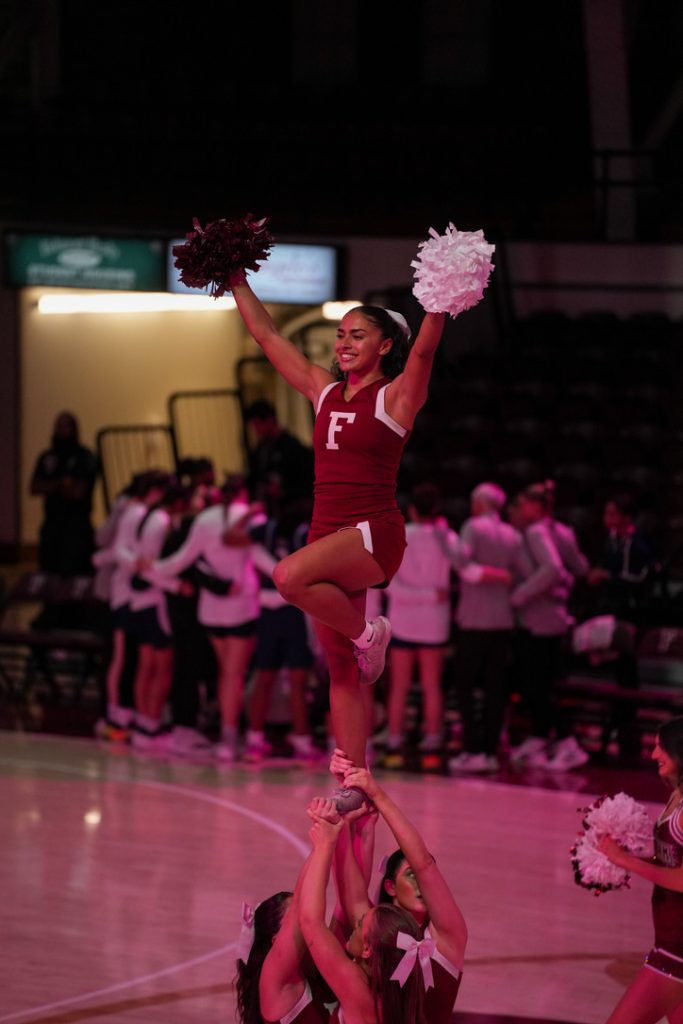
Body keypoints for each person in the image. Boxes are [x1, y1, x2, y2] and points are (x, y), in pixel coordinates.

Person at [230, 277, 446, 773]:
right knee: (341, 669)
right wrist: (237, 282)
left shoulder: (396, 398)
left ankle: (371, 635)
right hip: (326, 535)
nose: (344, 344)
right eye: (341, 335)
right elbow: (267, 336)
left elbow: (426, 355)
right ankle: (354, 775)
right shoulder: (322, 393)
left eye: (358, 335)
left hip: (373, 533)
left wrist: (439, 304)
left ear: (385, 345)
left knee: (287, 577)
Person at [327, 754, 467, 1024]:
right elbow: (350, 893)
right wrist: (347, 798)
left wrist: (377, 793)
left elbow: (425, 864)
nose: (421, 885)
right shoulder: (372, 929)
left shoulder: (449, 939)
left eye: (422, 879)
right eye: (410, 876)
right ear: (390, 886)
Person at [144, 476, 275, 762]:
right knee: (234, 675)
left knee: (224, 673)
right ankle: (229, 738)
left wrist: (152, 568)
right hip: (240, 606)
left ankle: (227, 740)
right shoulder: (249, 516)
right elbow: (263, 559)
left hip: (211, 611)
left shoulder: (204, 520)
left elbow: (181, 560)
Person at [300, 807, 430, 1024]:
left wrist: (323, 846)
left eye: (360, 925)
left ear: (368, 949)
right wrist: (348, 829)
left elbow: (310, 922)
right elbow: (355, 897)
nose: (356, 924)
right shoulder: (401, 992)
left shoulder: (356, 988)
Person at [598, 716, 683, 1024]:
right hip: (670, 942)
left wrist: (627, 861)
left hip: (677, 953)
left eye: (661, 748)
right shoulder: (676, 797)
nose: (653, 755)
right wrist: (619, 858)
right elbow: (671, 863)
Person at [508, 484, 589, 772]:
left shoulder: (535, 531)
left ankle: (568, 743)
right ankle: (542, 736)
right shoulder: (562, 531)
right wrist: (562, 587)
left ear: (537, 505)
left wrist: (519, 595)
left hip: (540, 621)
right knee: (539, 683)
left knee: (537, 686)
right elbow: (579, 569)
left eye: (523, 503)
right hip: (555, 618)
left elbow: (553, 570)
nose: (518, 509)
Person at [448, 481, 527, 775]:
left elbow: (459, 561)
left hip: (473, 619)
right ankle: (491, 751)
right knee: (496, 689)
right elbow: (520, 574)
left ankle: (472, 749)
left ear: (480, 503)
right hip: (502, 621)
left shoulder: (473, 526)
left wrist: (484, 574)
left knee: (466, 686)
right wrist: (501, 576)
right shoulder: (512, 534)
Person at [383, 483, 459, 771]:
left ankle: (393, 741)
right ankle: (432, 741)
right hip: (433, 621)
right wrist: (431, 596)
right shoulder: (447, 537)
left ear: (411, 509)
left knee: (399, 687)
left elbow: (390, 585)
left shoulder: (401, 535)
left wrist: (419, 596)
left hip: (404, 620)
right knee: (431, 686)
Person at [30, 411, 98, 577]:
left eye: (66, 425)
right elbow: (34, 488)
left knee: (75, 574)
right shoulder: (47, 457)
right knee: (49, 571)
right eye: (58, 425)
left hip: (77, 526)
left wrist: (52, 486)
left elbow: (78, 492)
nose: (61, 429)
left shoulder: (85, 457)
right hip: (51, 523)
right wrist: (61, 483)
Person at [245, 400, 314, 516]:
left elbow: (305, 477)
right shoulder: (260, 449)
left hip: (294, 507)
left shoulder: (291, 446)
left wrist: (283, 490)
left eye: (257, 424)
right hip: (271, 509)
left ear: (270, 420)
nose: (255, 430)